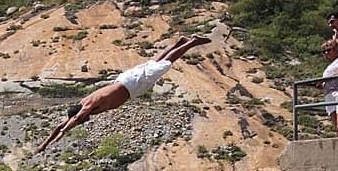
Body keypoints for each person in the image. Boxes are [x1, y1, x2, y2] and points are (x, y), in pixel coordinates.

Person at [34, 35, 210, 153]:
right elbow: (63, 122)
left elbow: (72, 120)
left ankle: (191, 43)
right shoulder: (84, 102)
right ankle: (180, 42)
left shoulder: (88, 105)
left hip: (130, 85)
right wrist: (45, 144)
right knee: (154, 63)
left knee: (163, 64)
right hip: (127, 83)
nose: (84, 120)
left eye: (81, 120)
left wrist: (63, 133)